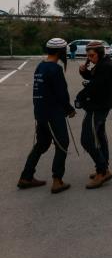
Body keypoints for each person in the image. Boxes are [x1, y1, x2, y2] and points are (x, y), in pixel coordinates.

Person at [18, 38, 76, 194]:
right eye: (65, 50)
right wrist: (70, 109)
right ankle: (57, 181)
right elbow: (61, 94)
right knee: (62, 144)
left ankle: (26, 177)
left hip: (41, 113)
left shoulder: (41, 66)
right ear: (60, 52)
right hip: (52, 114)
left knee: (42, 144)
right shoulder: (54, 69)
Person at [78, 40, 112, 189]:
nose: (90, 59)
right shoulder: (101, 64)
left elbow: (95, 86)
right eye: (88, 56)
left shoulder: (105, 66)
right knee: (99, 136)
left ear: (99, 54)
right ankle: (104, 168)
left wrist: (80, 97)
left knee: (87, 139)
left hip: (97, 107)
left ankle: (102, 171)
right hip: (100, 105)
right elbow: (93, 79)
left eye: (92, 56)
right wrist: (84, 71)